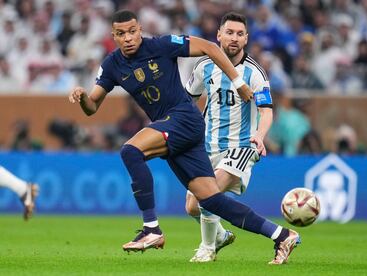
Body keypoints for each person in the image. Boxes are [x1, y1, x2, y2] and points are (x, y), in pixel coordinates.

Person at [68, 10, 299, 265]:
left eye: (132, 31)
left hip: (184, 119)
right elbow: (92, 106)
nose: (128, 38)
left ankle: (152, 229)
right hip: (183, 129)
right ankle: (281, 235)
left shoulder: (161, 45)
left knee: (130, 151)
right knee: (210, 201)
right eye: (121, 34)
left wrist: (238, 82)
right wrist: (82, 98)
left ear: (140, 30)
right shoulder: (112, 65)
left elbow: (210, 47)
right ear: (114, 36)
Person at [184, 12, 275, 262]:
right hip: (207, 146)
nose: (234, 38)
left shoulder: (255, 73)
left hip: (241, 147)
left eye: (240, 34)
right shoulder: (204, 67)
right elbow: (187, 102)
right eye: (230, 32)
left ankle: (207, 249)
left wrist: (260, 135)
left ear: (246, 39)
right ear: (219, 36)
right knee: (191, 207)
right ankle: (221, 236)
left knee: (209, 195)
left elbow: (266, 111)